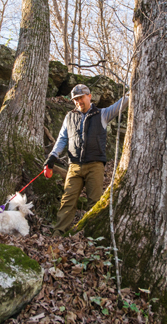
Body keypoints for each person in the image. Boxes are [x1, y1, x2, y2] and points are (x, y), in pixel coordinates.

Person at [46, 83, 128, 232]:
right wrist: (52, 156)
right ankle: (59, 233)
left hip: (95, 166)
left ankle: (91, 235)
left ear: (89, 96)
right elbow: (62, 139)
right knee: (67, 201)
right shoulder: (69, 117)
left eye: (81, 98)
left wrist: (130, 94)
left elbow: (120, 105)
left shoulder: (102, 114)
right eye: (75, 99)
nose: (78, 102)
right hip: (74, 166)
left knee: (95, 203)